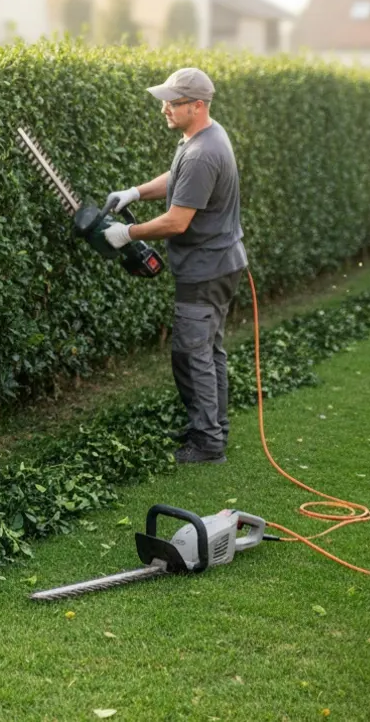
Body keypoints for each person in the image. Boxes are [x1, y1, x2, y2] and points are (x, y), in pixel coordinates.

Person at [102, 67, 248, 464]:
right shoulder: (201, 138)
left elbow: (176, 221)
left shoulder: (203, 152)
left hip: (206, 269)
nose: (164, 108)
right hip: (219, 263)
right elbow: (179, 178)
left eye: (173, 102)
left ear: (197, 106)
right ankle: (213, 428)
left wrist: (127, 233)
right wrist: (135, 192)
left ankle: (207, 443)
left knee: (191, 353)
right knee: (208, 351)